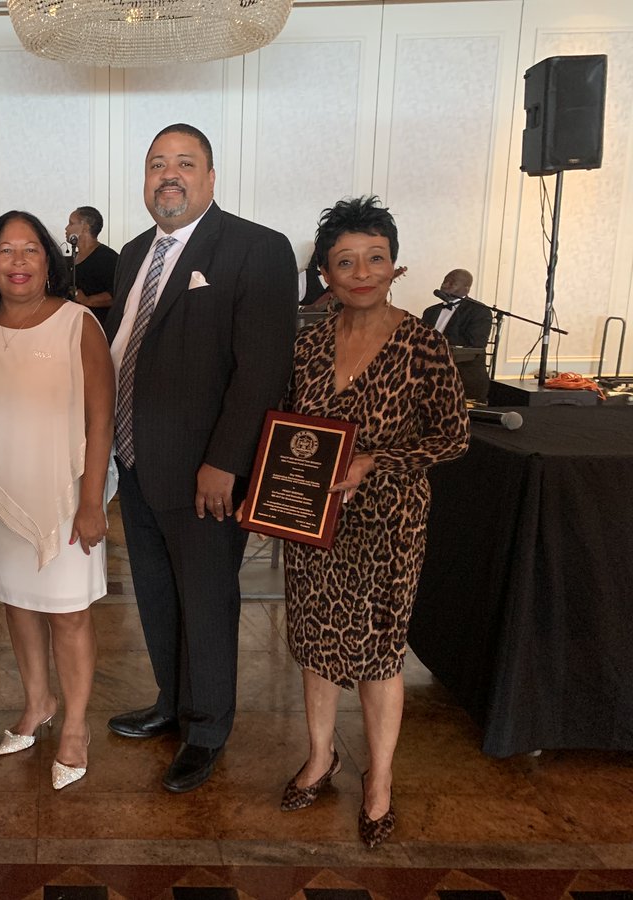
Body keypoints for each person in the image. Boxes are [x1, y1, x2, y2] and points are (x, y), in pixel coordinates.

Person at [104, 123, 296, 793]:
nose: (169, 174)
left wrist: (226, 461)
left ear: (211, 178)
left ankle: (208, 728)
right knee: (157, 595)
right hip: (137, 463)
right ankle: (173, 702)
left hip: (205, 475)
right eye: (157, 163)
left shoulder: (256, 249)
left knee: (207, 601)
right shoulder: (133, 253)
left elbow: (262, 369)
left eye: (185, 163)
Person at [274, 196, 468, 848]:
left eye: (375, 259)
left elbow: (453, 436)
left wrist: (375, 460)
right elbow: (287, 432)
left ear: (394, 266)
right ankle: (320, 757)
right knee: (317, 641)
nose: (362, 273)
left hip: (390, 524)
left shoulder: (424, 345)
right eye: (346, 262)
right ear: (325, 274)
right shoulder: (306, 346)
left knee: (379, 652)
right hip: (315, 521)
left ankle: (378, 779)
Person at [0, 210, 114, 789]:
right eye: (6, 251)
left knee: (69, 614)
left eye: (31, 250)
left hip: (66, 496)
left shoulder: (77, 323)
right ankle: (38, 701)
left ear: (49, 261)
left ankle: (75, 726)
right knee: (18, 605)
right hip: (4, 497)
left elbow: (100, 420)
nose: (18, 262)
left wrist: (91, 502)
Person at [65, 206, 119, 325]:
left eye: (71, 223)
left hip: (96, 325)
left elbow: (118, 294)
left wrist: (88, 300)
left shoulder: (107, 257)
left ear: (85, 227)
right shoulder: (73, 257)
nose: (66, 228)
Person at [421, 269, 492, 348]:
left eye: (452, 284)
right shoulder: (430, 311)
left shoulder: (479, 311)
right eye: (444, 282)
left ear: (466, 289)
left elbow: (476, 343)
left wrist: (439, 344)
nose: (444, 286)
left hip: (456, 355)